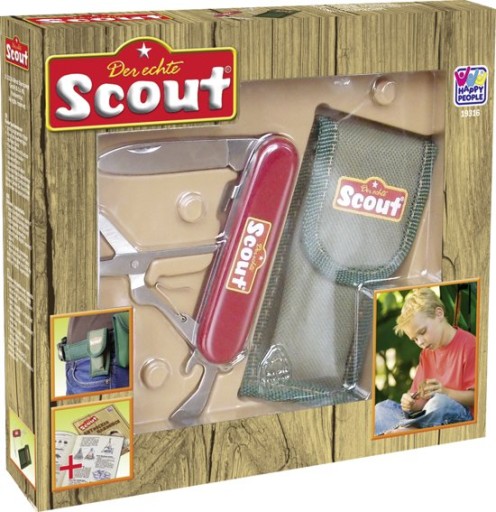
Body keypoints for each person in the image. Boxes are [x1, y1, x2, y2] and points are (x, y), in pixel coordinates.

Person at [374, 287, 476, 436]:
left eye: (422, 332)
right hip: (429, 415)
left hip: (460, 416)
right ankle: (412, 428)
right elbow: (421, 402)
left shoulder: (470, 345)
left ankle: (409, 429)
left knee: (440, 402)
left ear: (439, 314)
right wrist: (411, 403)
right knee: (381, 410)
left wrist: (446, 392)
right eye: (414, 339)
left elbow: (479, 397)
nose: (420, 342)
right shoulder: (426, 354)